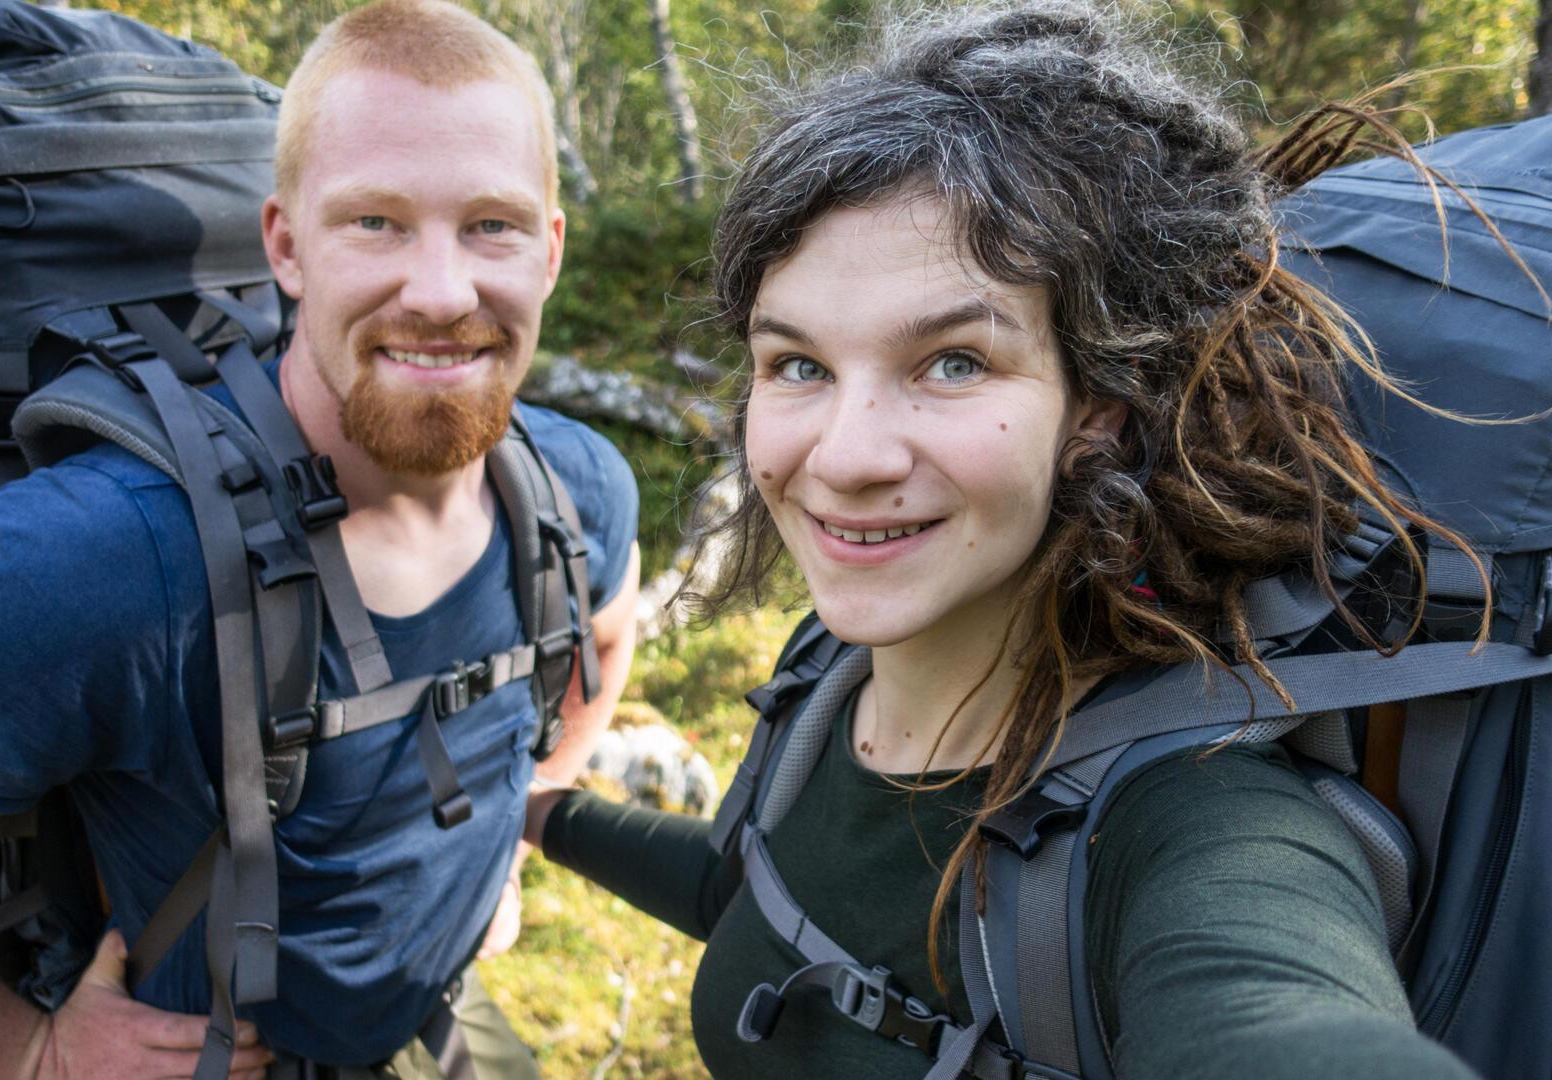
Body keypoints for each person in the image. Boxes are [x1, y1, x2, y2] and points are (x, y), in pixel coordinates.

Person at [522, 3, 1486, 1077]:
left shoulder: (1196, 828)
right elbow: (756, 885)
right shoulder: (831, 680)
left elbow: (1272, 1016)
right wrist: (546, 817)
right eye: (798, 364)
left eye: (952, 363)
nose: (845, 455)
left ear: (1099, 407)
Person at [0, 2, 641, 1078]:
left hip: (439, 1019)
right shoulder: (110, 559)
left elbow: (601, 643)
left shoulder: (576, 487)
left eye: (491, 224)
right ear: (286, 246)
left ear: (551, 248)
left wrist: (505, 856)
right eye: (374, 224)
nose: (441, 292)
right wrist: (27, 1057)